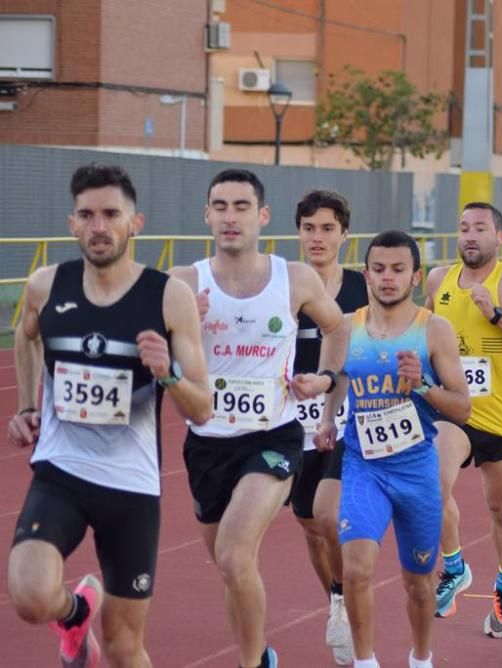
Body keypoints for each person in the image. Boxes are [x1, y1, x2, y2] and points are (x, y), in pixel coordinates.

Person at [6, 163, 211, 668]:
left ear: (135, 222)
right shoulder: (45, 285)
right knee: (30, 595)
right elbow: (26, 334)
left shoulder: (168, 296)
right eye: (87, 215)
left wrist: (166, 374)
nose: (99, 226)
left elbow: (202, 407)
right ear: (72, 223)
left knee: (123, 649)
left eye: (111, 214)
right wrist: (27, 406)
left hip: (131, 488)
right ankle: (74, 614)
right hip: (60, 474)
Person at [169, 169, 345, 668]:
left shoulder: (295, 278)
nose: (230, 217)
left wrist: (327, 377)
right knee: (232, 568)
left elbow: (337, 328)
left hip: (273, 437)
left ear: (262, 216)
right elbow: (153, 359)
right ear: (206, 215)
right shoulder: (182, 283)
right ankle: (260, 654)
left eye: (241, 206)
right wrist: (181, 323)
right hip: (206, 443)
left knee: (232, 552)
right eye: (220, 206)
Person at [311, 230, 470, 668]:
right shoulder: (347, 327)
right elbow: (340, 376)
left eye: (398, 270)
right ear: (366, 274)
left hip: (416, 471)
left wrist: (423, 385)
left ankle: (421, 659)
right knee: (357, 569)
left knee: (419, 584)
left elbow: (463, 408)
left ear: (415, 277)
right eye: (378, 269)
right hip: (364, 467)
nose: (387, 278)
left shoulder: (433, 330)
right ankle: (365, 662)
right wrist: (328, 417)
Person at [424, 202, 502, 638]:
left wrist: (496, 315)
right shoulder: (438, 280)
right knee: (432, 481)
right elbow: (422, 334)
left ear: (501, 238)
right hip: (453, 412)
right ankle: (455, 566)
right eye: (463, 228)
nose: (470, 236)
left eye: (480, 228)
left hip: (500, 417)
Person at [288, 190, 368, 665]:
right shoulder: (283, 286)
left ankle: (345, 600)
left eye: (327, 229)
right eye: (309, 228)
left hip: (352, 418)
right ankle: (337, 601)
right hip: (291, 422)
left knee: (327, 514)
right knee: (307, 523)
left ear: (344, 235)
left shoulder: (361, 288)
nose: (317, 238)